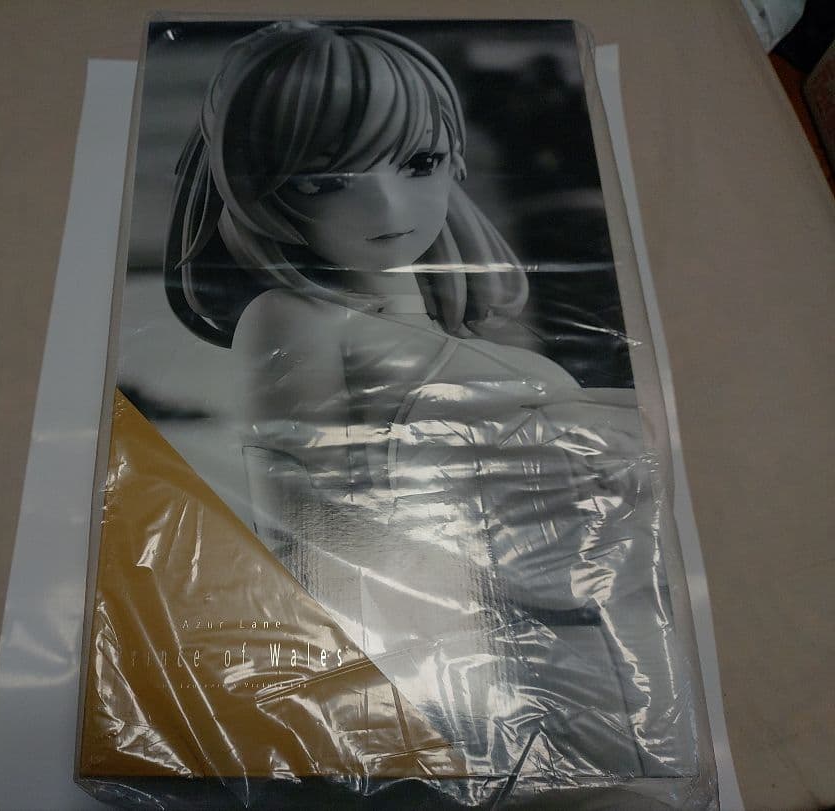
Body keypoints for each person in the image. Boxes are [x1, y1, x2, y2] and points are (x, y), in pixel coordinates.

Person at [163, 21, 694, 787]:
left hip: (627, 656)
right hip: (503, 680)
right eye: (321, 179)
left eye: (419, 161)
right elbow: (310, 537)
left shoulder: (479, 345)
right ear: (258, 188)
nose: (386, 202)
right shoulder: (295, 319)